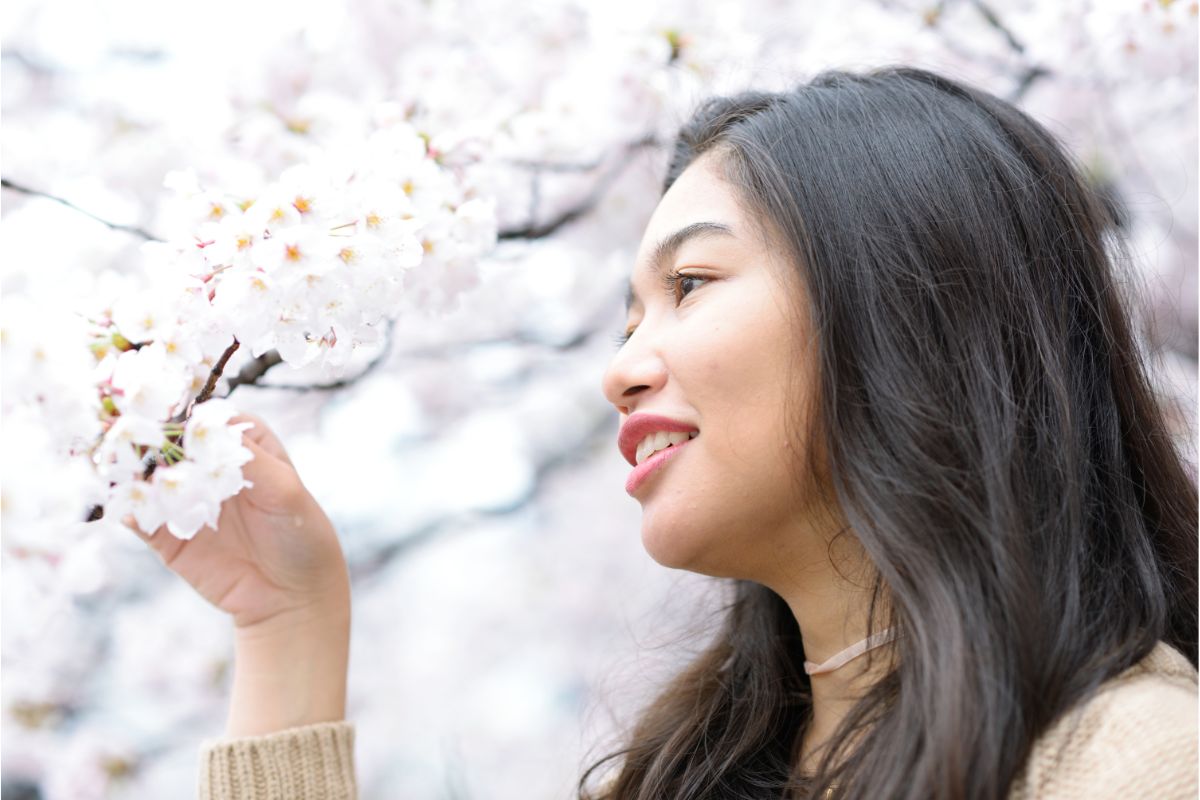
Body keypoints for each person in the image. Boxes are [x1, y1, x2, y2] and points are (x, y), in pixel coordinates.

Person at [128, 65, 1199, 799]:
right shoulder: (700, 768)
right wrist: (288, 625)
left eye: (692, 282)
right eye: (628, 315)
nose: (622, 366)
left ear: (910, 306)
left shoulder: (1135, 758)